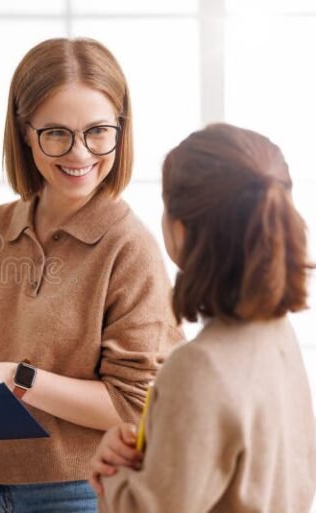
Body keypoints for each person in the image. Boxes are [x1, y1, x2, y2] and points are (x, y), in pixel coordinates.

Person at [0, 37, 183, 512]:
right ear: (23, 131)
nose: (80, 153)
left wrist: (18, 379)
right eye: (56, 133)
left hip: (78, 496)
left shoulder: (128, 245)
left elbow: (136, 405)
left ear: (122, 129)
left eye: (99, 131)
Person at [90, 123, 316, 512]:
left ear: (180, 230)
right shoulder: (278, 335)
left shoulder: (198, 368)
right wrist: (152, 455)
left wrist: (112, 478)